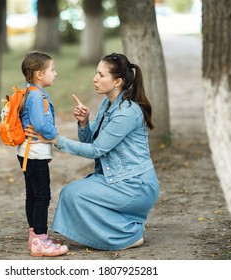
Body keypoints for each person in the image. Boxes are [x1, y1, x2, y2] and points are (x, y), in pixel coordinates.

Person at [27, 52, 160, 251]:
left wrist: (55, 140)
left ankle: (128, 235)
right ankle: (125, 227)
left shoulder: (127, 112)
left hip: (134, 185)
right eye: (96, 73)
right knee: (72, 194)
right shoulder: (109, 103)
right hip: (115, 178)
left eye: (101, 74)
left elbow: (96, 150)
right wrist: (84, 123)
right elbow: (92, 141)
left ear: (118, 82)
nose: (95, 78)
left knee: (75, 195)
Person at [16, 51, 68, 257]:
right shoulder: (37, 96)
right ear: (39, 74)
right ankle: (40, 240)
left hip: (27, 152)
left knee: (33, 196)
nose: (55, 73)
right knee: (42, 197)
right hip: (35, 153)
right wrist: (54, 135)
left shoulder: (29, 92)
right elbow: (39, 123)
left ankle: (34, 237)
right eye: (52, 70)